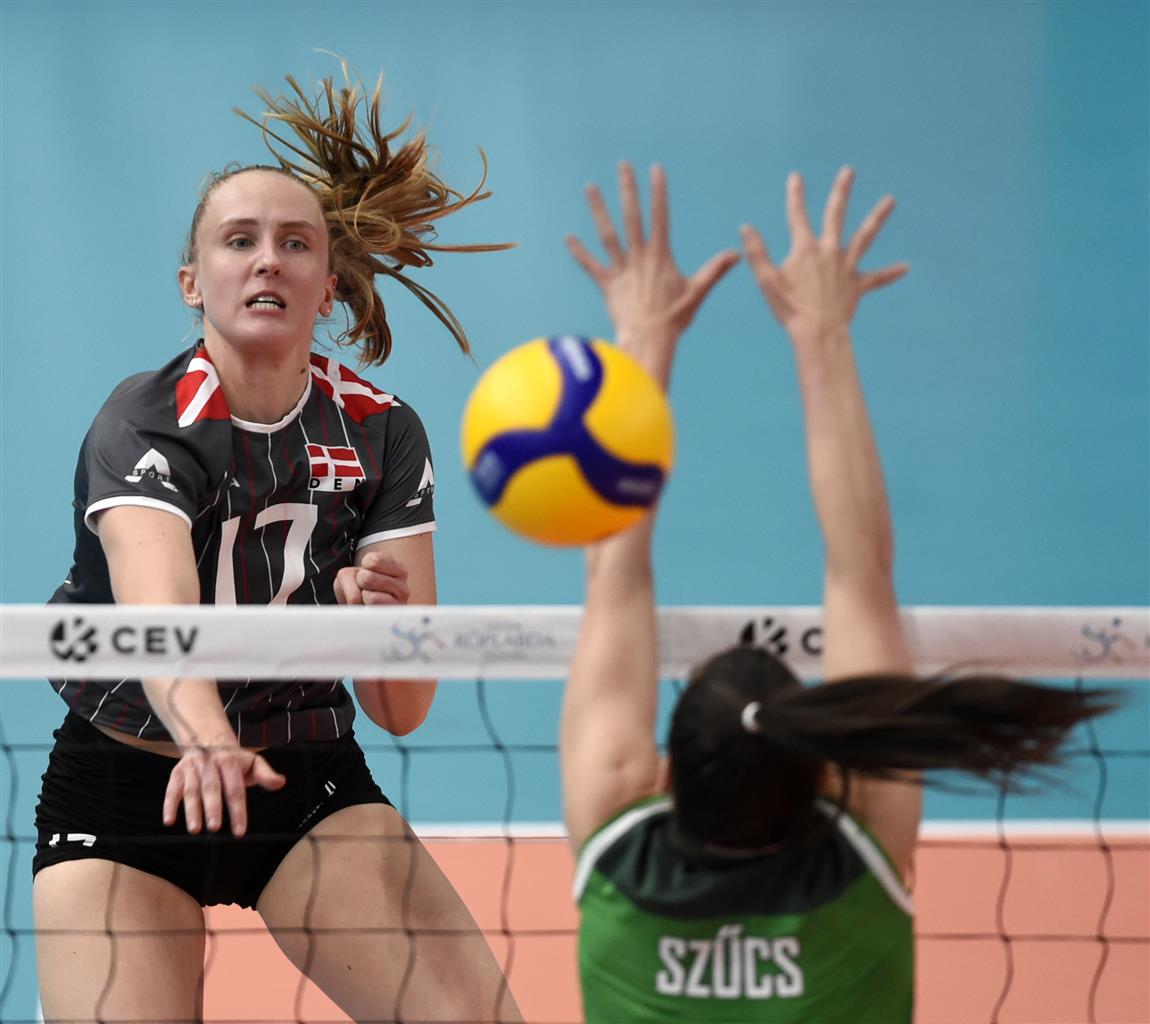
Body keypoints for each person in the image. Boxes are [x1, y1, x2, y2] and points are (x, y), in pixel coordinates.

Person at [561, 163, 1116, 1022]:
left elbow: (613, 571)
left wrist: (644, 341)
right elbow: (861, 570)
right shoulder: (862, 845)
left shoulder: (620, 843)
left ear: (661, 775)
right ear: (827, 773)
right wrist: (822, 335)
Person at [33, 69, 521, 1024]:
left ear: (327, 285)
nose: (268, 261)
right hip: (129, 782)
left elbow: (404, 709)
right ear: (193, 281)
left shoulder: (381, 431)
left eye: (295, 243)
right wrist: (208, 741)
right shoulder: (145, 422)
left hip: (304, 777)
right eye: (239, 240)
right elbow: (158, 619)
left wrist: (377, 631)